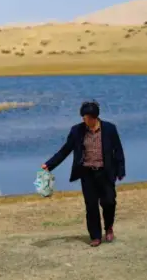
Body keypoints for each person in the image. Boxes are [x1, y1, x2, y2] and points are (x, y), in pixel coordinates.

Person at [41, 100, 126, 247]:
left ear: (94, 117)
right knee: (91, 206)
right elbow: (65, 150)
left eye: (86, 117)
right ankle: (96, 236)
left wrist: (120, 170)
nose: (83, 120)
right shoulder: (77, 131)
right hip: (87, 174)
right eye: (83, 117)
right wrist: (49, 165)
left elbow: (118, 150)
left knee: (109, 202)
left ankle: (109, 227)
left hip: (105, 173)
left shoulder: (110, 129)